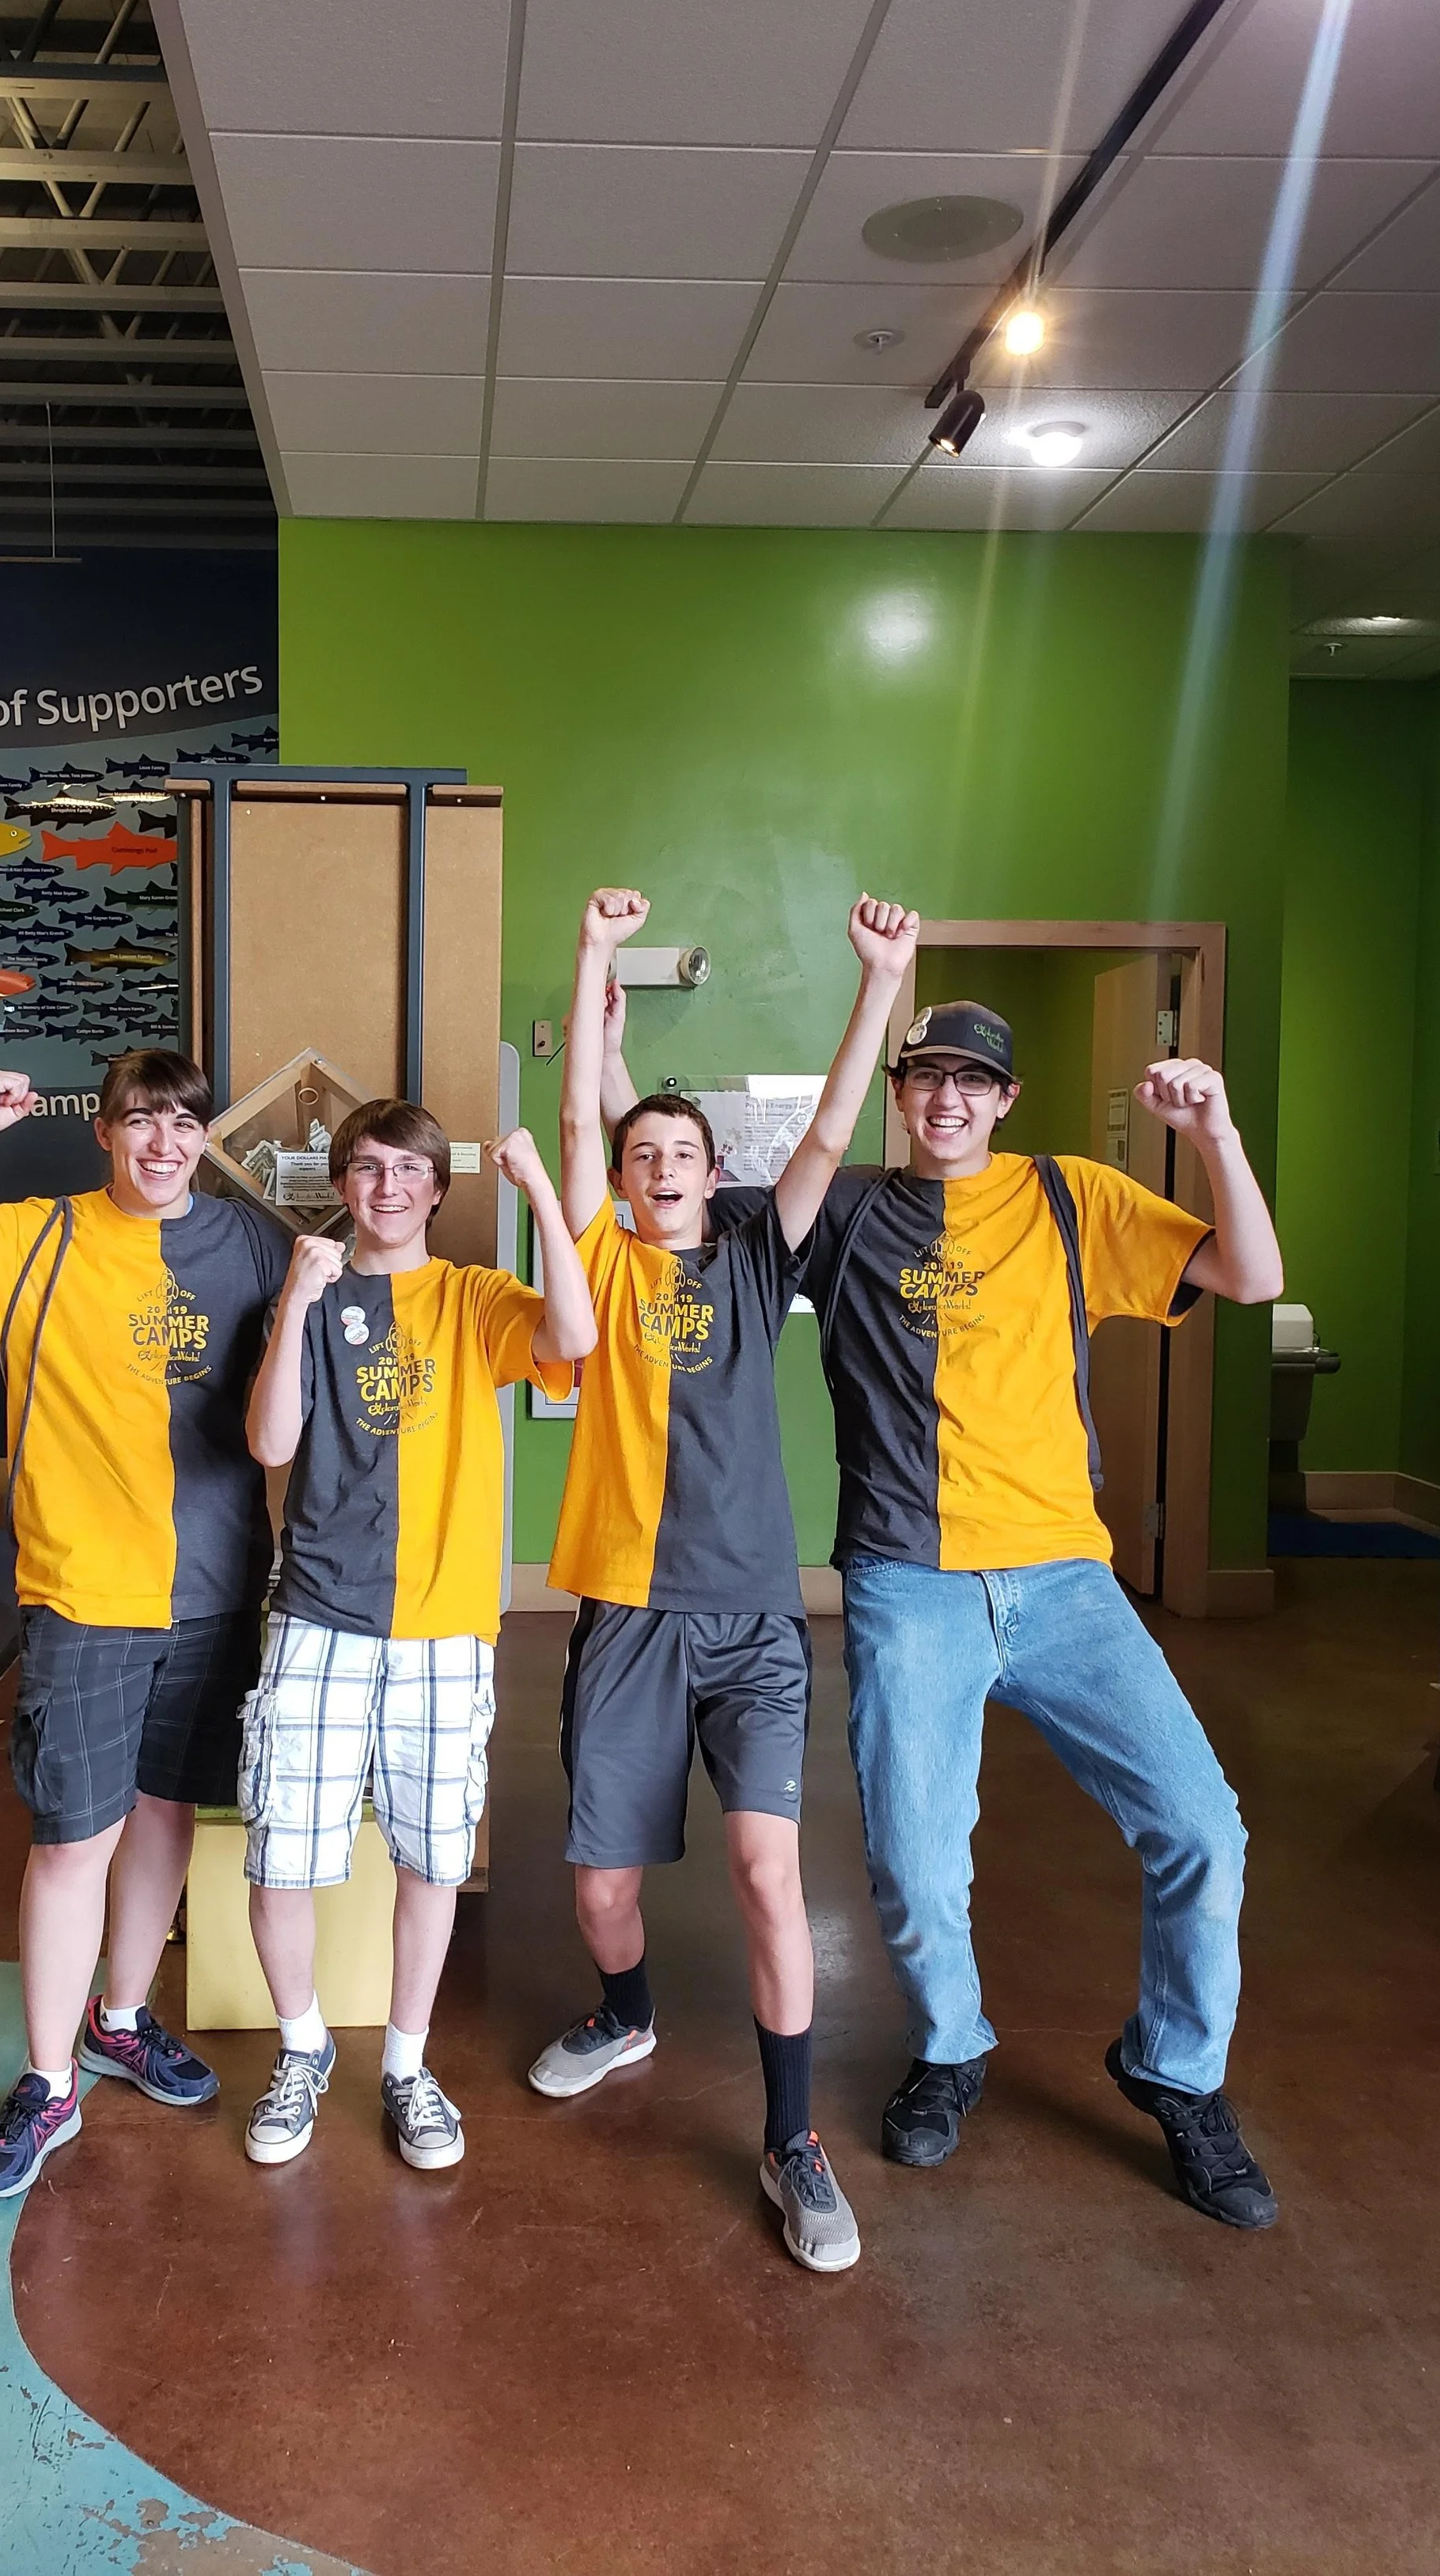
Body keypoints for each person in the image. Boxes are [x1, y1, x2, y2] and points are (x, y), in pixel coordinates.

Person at [601, 981, 1287, 2230]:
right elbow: (673, 1194)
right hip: (907, 1580)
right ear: (901, 1094)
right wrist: (608, 1040)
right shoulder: (849, 1208)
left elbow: (1250, 1271)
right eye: (928, 1077)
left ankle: (1176, 2071)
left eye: (974, 1080)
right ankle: (953, 2042)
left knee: (1204, 1829)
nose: (949, 1097)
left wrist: (1217, 1134)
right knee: (916, 1862)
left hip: (1068, 1579)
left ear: (1005, 1100)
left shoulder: (1074, 1195)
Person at [529, 885, 919, 2276]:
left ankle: (792, 2139)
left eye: (685, 1151)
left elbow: (826, 1133)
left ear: (712, 1171)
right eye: (647, 1153)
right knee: (602, 1893)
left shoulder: (759, 1259)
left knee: (767, 1874)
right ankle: (625, 2012)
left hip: (753, 1619)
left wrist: (884, 980)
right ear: (629, 1180)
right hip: (627, 1619)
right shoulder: (593, 1256)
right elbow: (578, 1121)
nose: (663, 1165)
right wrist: (588, 960)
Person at [0, 1051, 291, 2201]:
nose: (164, 1145)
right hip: (85, 1590)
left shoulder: (247, 1244)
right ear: (104, 1132)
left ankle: (120, 2020)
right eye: (142, 1123)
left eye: (184, 1127)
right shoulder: (35, 1237)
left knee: (166, 1813)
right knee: (71, 1840)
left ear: (202, 1139)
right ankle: (48, 2084)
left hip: (218, 1587)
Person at [239, 1103, 595, 2173]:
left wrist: (537, 1190)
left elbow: (572, 1338)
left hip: (442, 1629)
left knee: (433, 1863)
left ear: (439, 1190)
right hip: (318, 1615)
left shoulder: (475, 1298)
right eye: (366, 1169)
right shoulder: (307, 1292)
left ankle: (406, 2063)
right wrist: (301, 1298)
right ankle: (302, 2049)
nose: (387, 1187)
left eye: (408, 1171)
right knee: (282, 1858)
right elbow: (268, 1441)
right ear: (341, 1184)